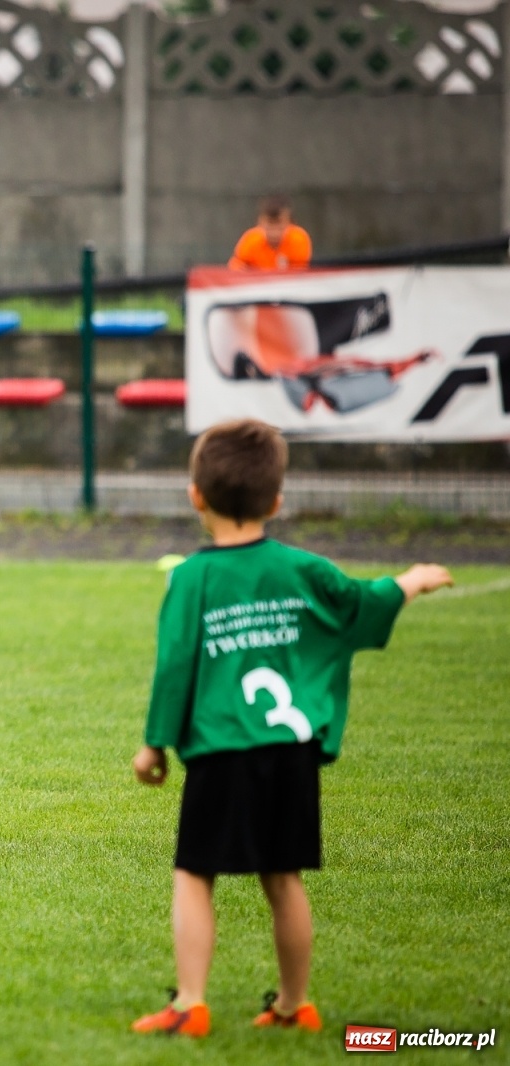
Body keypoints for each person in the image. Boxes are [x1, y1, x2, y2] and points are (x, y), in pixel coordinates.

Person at [130, 418, 451, 1037]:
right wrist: (411, 580)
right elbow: (361, 604)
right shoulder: (304, 569)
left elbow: (175, 666)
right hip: (291, 753)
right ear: (276, 501)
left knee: (195, 874)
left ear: (195, 495)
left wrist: (153, 745)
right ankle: (293, 1005)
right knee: (284, 878)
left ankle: (190, 1002)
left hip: (223, 751)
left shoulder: (191, 578)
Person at [229, 195, 312, 271]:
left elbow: (300, 271)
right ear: (260, 223)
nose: (274, 233)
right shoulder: (251, 239)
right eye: (269, 227)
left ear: (290, 223)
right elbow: (235, 264)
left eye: (280, 228)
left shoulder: (299, 239)